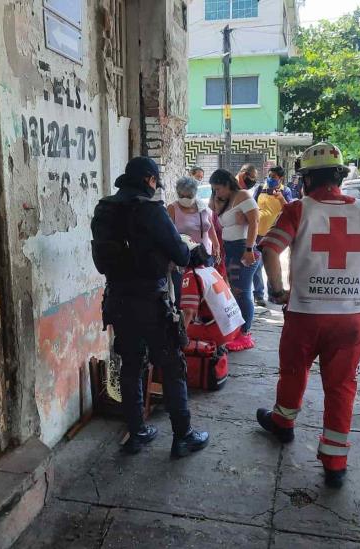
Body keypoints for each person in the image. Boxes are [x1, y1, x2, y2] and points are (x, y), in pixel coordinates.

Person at [255, 142, 360, 488]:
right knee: (341, 386)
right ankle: (335, 462)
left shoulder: (298, 209)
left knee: (293, 372)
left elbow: (271, 248)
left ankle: (283, 424)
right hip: (350, 317)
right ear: (340, 175)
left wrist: (278, 291)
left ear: (306, 179)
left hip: (305, 314)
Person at [91, 156, 209, 458]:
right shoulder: (150, 211)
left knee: (130, 365)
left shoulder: (104, 208)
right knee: (172, 366)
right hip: (151, 301)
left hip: (117, 299)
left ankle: (137, 433)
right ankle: (183, 436)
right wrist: (194, 254)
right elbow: (181, 253)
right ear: (149, 180)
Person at [210, 168, 260, 351]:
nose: (217, 192)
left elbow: (255, 221)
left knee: (243, 291)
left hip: (243, 247)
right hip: (230, 249)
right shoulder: (224, 199)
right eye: (214, 189)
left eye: (219, 188)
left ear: (228, 184)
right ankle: (238, 329)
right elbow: (211, 211)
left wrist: (249, 249)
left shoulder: (243, 195)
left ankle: (245, 333)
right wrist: (216, 197)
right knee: (234, 291)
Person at [179, 242, 244, 346]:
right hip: (235, 326)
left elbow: (189, 313)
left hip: (220, 332)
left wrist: (180, 336)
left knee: (171, 330)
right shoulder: (210, 270)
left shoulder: (192, 276)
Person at [168, 176, 221, 302]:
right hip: (183, 258)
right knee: (184, 295)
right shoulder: (172, 208)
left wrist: (216, 246)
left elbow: (210, 227)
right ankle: (185, 321)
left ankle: (201, 321)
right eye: (182, 196)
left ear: (195, 194)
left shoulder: (202, 207)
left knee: (204, 294)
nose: (185, 199)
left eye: (189, 196)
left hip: (204, 256)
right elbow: (167, 234)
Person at [252, 166, 292, 306]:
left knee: (272, 263)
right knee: (256, 265)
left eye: (274, 177)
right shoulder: (259, 189)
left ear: (280, 178)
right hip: (257, 233)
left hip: (274, 234)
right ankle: (258, 294)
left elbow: (289, 210)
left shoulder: (285, 191)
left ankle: (273, 294)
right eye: (269, 176)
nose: (270, 179)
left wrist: (280, 198)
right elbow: (252, 206)